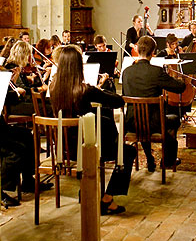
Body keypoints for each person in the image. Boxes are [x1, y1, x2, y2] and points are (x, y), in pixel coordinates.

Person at [49, 45, 136, 215]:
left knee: (102, 116)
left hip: (66, 147)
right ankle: (107, 198)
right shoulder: (84, 90)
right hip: (87, 147)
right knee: (128, 152)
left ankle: (88, 191)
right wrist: (99, 88)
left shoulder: (53, 88)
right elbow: (118, 101)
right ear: (77, 67)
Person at [122, 36, 185, 172]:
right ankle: (168, 160)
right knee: (174, 119)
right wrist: (178, 77)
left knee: (142, 118)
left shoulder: (126, 72)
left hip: (131, 122)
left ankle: (150, 158)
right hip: (154, 123)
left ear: (137, 50)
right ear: (153, 53)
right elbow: (180, 87)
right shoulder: (156, 72)